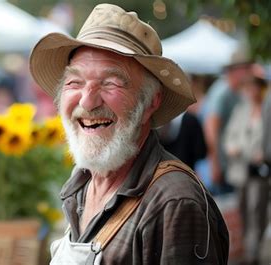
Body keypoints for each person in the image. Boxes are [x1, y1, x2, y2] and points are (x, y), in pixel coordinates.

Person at [29, 4, 229, 264]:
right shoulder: (82, 184)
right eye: (74, 82)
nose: (87, 102)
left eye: (110, 83)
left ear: (151, 102)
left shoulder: (174, 203)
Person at [223, 72, 269, 265]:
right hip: (241, 168)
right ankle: (245, 248)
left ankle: (252, 253)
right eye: (248, 88)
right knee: (242, 209)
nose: (251, 92)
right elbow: (228, 138)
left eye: (254, 87)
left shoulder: (267, 111)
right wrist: (234, 148)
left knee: (256, 209)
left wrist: (264, 154)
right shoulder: (241, 110)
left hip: (260, 171)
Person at [203, 51, 253, 194]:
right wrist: (215, 163)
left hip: (230, 163)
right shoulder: (222, 93)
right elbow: (210, 128)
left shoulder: (237, 92)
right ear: (236, 70)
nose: (249, 72)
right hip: (220, 164)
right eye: (246, 68)